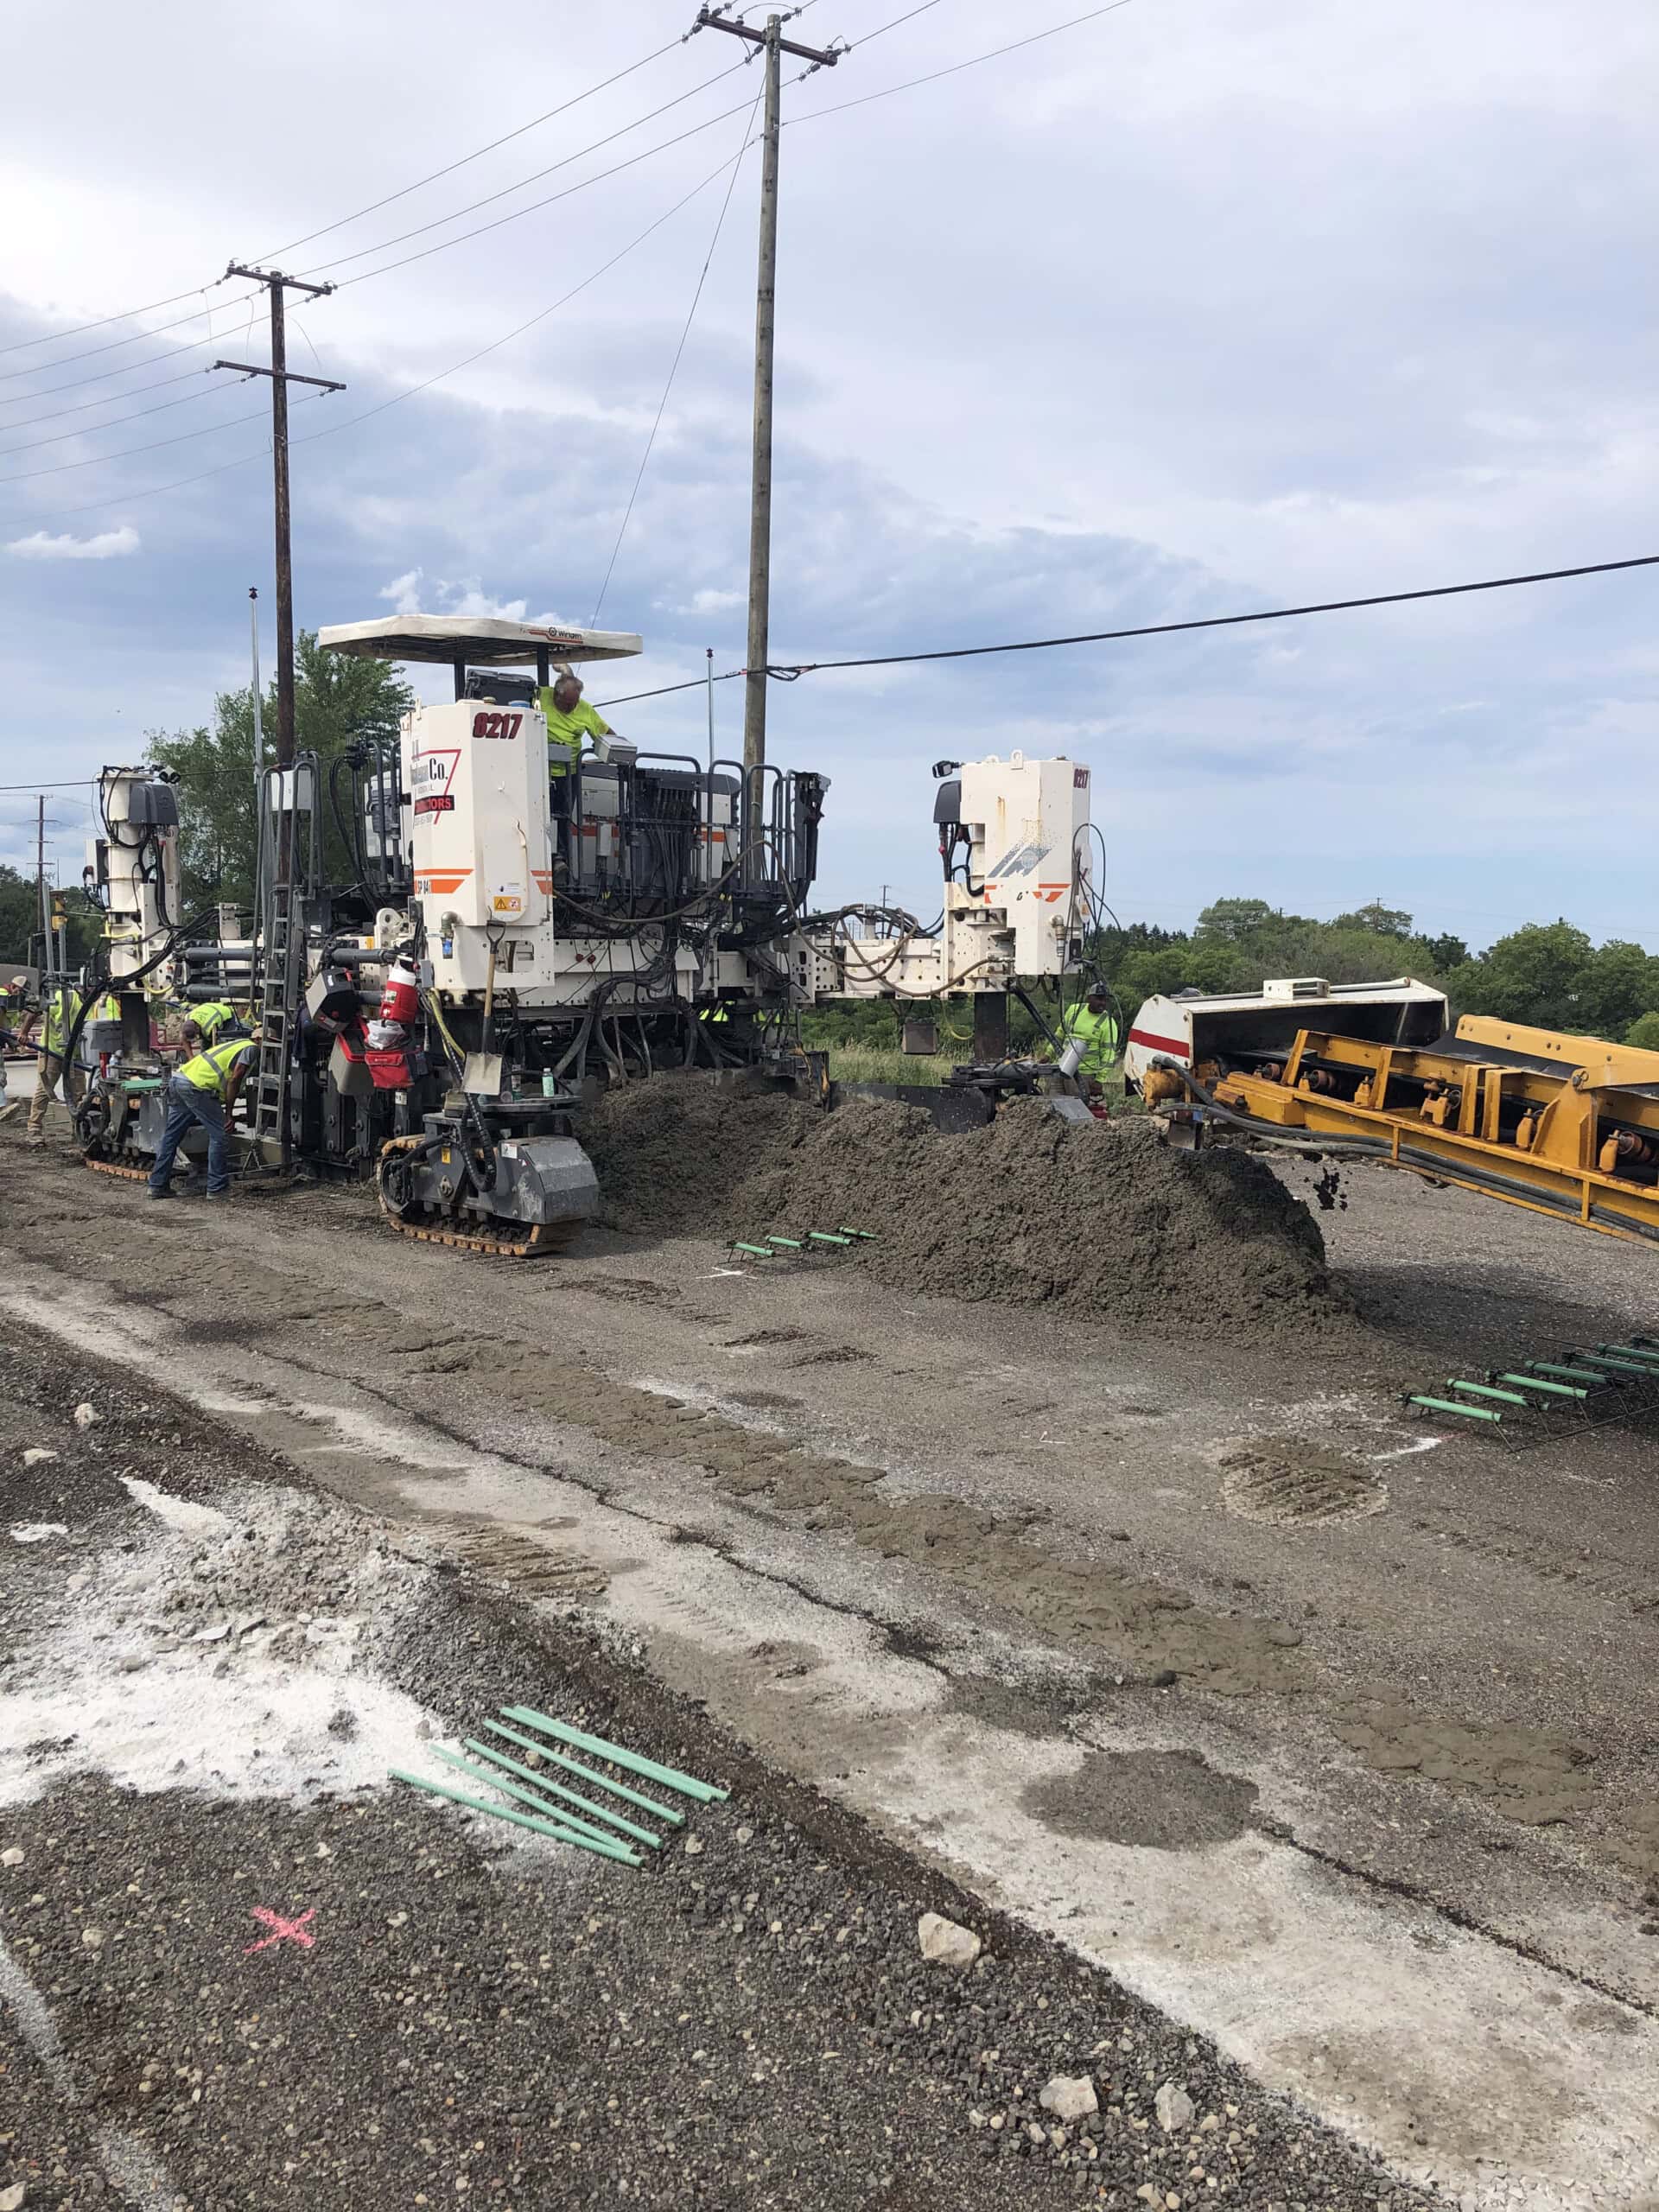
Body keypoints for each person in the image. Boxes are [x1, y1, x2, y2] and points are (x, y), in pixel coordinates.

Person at [146, 1022, 259, 1201]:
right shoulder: (252, 1048)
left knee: (171, 1137)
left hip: (179, 1081)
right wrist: (228, 1114)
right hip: (195, 1088)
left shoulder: (236, 1044)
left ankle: (157, 1186)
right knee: (220, 1134)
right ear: (260, 1039)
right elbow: (235, 1078)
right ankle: (217, 1188)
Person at [19, 980, 85, 1147]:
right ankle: (34, 1129)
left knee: (79, 1094)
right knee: (44, 1090)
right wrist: (24, 1033)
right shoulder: (62, 998)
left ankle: (77, 1130)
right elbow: (34, 1011)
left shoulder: (92, 1004)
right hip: (52, 1050)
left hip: (75, 1054)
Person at [539, 669, 620, 783]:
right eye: (568, 704)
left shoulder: (585, 709)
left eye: (575, 703)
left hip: (569, 773)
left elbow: (607, 734)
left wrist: (620, 751)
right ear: (556, 695)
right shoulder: (539, 696)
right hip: (538, 769)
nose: (573, 707)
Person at [1058, 987, 1122, 1088]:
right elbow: (1059, 1035)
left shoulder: (1108, 1023)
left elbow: (1108, 1055)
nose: (1103, 1003)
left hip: (1083, 1076)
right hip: (1060, 1069)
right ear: (1089, 998)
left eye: (1105, 1000)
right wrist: (1048, 1055)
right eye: (1099, 999)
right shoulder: (1074, 1011)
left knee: (1077, 1103)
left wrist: (1099, 1080)